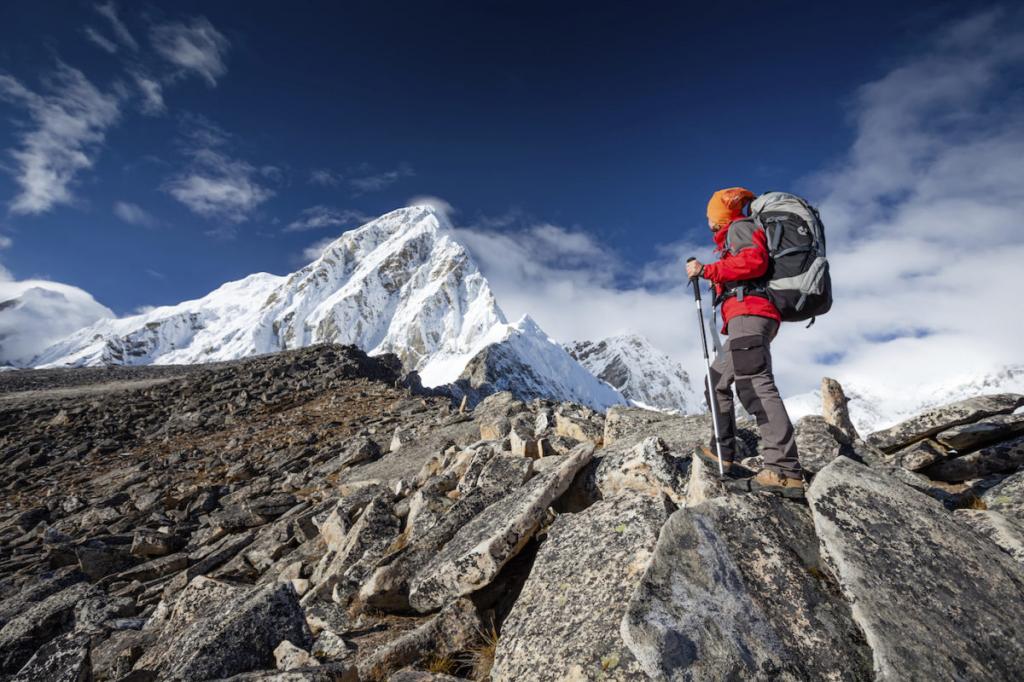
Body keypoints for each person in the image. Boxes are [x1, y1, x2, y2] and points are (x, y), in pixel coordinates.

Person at [685, 187, 804, 497]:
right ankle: (721, 451)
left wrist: (707, 270)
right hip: (744, 317)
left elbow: (755, 263)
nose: (708, 221)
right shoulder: (733, 236)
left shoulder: (739, 228)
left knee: (754, 383)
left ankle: (783, 470)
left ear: (720, 215)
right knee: (717, 381)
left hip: (750, 313)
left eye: (711, 215)